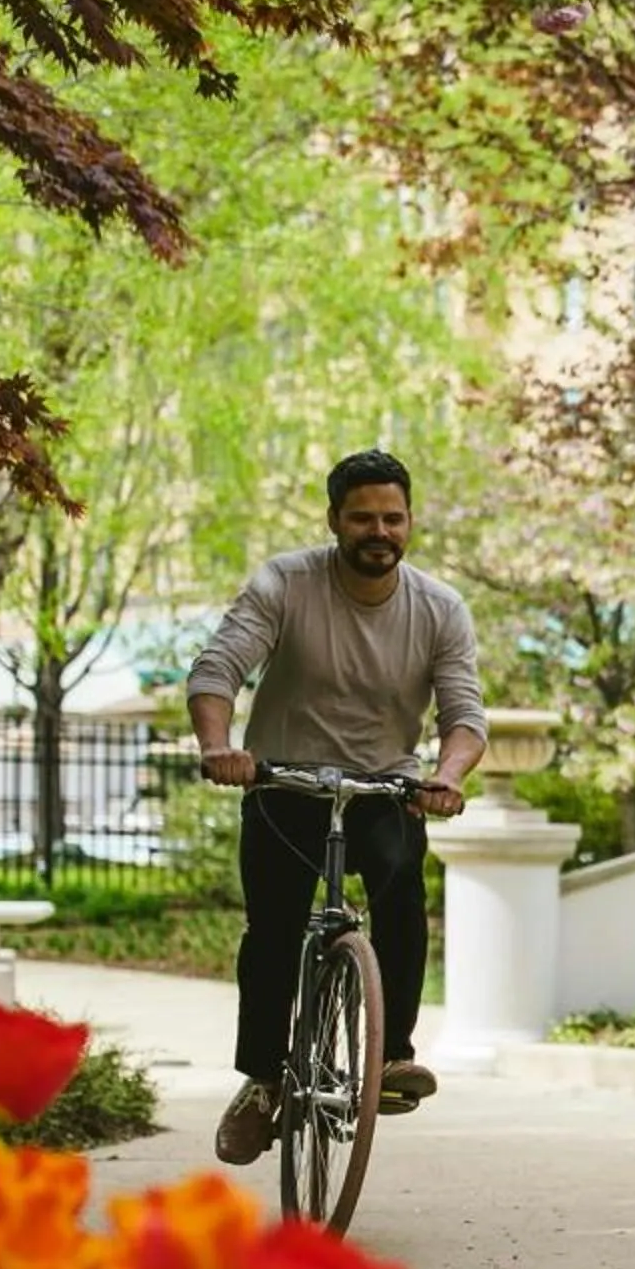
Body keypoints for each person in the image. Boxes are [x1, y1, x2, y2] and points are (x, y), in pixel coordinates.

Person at [188, 449, 487, 1165]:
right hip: (284, 783)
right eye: (362, 518)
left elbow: (465, 716)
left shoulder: (439, 608)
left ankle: (392, 1057)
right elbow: (217, 670)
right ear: (333, 520)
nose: (379, 531)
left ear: (409, 522)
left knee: (400, 889)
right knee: (273, 930)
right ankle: (263, 1081)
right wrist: (219, 746)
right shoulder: (285, 584)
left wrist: (446, 776)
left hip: (384, 788)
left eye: (393, 518)